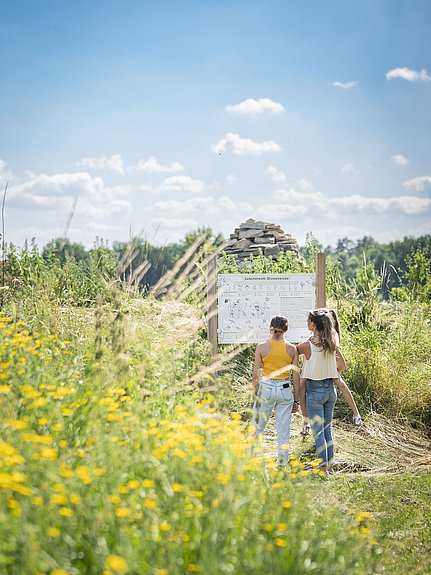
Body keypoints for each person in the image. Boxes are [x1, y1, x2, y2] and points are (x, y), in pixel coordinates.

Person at [250, 315, 300, 466]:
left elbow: (255, 374)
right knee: (283, 431)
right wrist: (296, 400)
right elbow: (296, 377)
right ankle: (282, 464)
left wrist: (254, 395)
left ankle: (252, 461)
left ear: (270, 328)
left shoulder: (261, 347)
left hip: (266, 388)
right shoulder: (292, 349)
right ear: (286, 329)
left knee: (257, 428)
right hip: (285, 389)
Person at [297, 309, 341, 473]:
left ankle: (322, 468)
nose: (306, 323)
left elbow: (291, 353)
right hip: (330, 389)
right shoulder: (331, 342)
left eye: (308, 321)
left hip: (315, 391)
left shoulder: (306, 345)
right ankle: (329, 467)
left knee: (318, 433)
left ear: (314, 325)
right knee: (327, 431)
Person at [327, 309, 363, 426]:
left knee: (342, 385)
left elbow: (336, 347)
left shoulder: (333, 333)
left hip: (330, 365)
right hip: (324, 365)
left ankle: (356, 414)